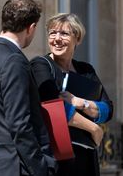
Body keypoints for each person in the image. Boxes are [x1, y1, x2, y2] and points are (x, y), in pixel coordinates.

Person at [0, 0, 56, 176]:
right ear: (31, 28)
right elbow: (19, 124)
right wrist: (41, 167)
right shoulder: (14, 60)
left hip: (2, 165)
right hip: (23, 167)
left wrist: (4, 145)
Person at [30, 13, 113, 176]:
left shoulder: (86, 70)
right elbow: (54, 107)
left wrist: (79, 102)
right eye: (52, 33)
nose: (57, 39)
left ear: (78, 38)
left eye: (64, 33)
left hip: (86, 156)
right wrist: (94, 128)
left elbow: (108, 110)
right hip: (57, 159)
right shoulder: (41, 65)